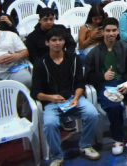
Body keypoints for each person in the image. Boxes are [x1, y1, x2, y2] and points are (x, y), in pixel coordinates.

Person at [29, 24, 101, 164]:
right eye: (54, 40)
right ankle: (57, 155)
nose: (57, 43)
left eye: (60, 40)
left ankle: (85, 145)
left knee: (92, 113)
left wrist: (75, 98)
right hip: (52, 102)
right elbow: (35, 92)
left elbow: (80, 83)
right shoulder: (40, 64)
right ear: (47, 42)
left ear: (64, 41)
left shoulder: (74, 59)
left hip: (72, 98)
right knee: (49, 123)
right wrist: (50, 97)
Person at [84, 18, 127, 157]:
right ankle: (118, 138)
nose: (111, 33)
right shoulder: (93, 53)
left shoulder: (125, 48)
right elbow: (88, 77)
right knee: (115, 107)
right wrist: (103, 77)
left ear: (118, 31)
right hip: (105, 85)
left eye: (114, 30)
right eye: (108, 30)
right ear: (102, 32)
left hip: (123, 83)